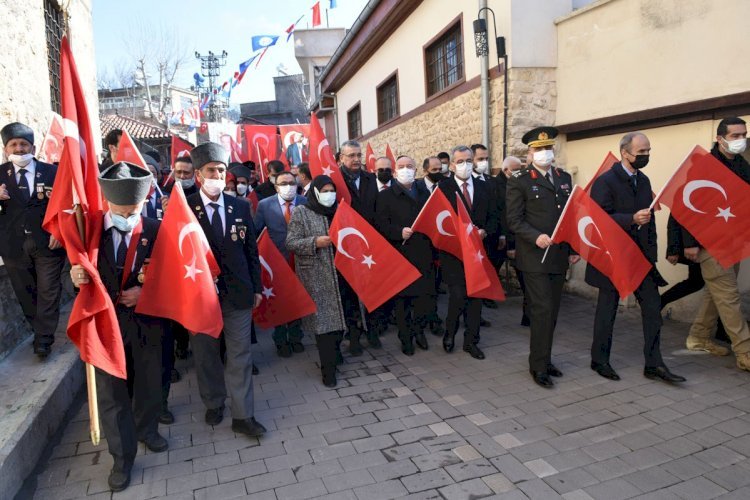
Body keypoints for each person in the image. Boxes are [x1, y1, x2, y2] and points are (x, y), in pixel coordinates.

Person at [70, 162, 167, 492]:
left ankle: (148, 429)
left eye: (135, 209)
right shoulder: (88, 229)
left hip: (147, 322)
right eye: (122, 210)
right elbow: (76, 271)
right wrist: (75, 275)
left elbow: (174, 276)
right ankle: (122, 459)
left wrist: (146, 291)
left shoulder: (156, 230)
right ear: (108, 202)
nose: (129, 216)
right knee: (112, 394)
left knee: (150, 381)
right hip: (104, 326)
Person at [585, 132, 685, 384]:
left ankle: (654, 364)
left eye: (648, 151)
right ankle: (600, 360)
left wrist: (652, 255)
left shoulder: (644, 180)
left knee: (652, 310)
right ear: (625, 153)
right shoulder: (605, 181)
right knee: (607, 311)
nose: (646, 156)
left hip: (641, 259)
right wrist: (630, 218)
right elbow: (598, 219)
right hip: (614, 257)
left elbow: (649, 223)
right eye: (641, 152)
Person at [187, 142, 266, 437]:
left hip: (238, 294)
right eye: (212, 170)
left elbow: (251, 251)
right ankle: (214, 401)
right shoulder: (185, 209)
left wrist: (257, 286)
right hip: (201, 297)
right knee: (206, 354)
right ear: (198, 174)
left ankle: (243, 415)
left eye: (221, 171)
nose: (218, 175)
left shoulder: (240, 206)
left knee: (240, 354)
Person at [506, 126, 579, 388]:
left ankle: (546, 359)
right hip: (534, 257)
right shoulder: (520, 180)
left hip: (558, 255)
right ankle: (537, 366)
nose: (544, 153)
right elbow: (514, 220)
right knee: (542, 310)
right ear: (530, 152)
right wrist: (534, 236)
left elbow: (569, 216)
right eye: (539, 149)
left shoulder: (563, 178)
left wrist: (573, 248)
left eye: (548, 148)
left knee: (553, 312)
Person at [680, 117, 750, 370]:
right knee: (729, 296)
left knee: (716, 293)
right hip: (710, 243)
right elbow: (685, 206)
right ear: (719, 138)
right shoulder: (703, 167)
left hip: (733, 241)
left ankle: (698, 337)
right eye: (734, 136)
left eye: (743, 134)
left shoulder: (742, 165)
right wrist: (689, 243)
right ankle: (745, 352)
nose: (740, 140)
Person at [0, 122, 66, 358]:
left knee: (49, 290)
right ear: (6, 148)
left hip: (48, 243)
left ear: (33, 146)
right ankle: (37, 330)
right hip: (13, 246)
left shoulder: (52, 172)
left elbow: (65, 206)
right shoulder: (0, 174)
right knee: (25, 291)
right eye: (13, 144)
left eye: (23, 144)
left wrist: (59, 231)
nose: (19, 149)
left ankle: (44, 339)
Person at [286, 175, 348, 387]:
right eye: (325, 190)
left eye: (332, 190)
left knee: (340, 324)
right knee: (325, 328)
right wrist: (315, 242)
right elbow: (291, 242)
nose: (329, 194)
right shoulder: (302, 212)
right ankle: (327, 371)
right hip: (318, 276)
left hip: (341, 274)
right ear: (315, 192)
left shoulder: (340, 211)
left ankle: (336, 353)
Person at [438, 145, 497, 360]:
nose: (466, 165)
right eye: (460, 161)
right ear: (452, 165)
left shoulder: (485, 187)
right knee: (457, 297)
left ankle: (472, 341)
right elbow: (439, 221)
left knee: (476, 298)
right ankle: (450, 333)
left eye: (469, 160)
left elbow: (495, 216)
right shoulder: (442, 188)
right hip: (454, 254)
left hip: (478, 253)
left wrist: (485, 231)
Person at [375, 155, 433, 355]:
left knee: (422, 298)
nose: (406, 169)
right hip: (399, 254)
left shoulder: (425, 193)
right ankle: (405, 336)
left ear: (416, 171)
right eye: (401, 166)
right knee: (403, 300)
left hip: (423, 253)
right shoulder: (385, 196)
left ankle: (419, 332)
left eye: (410, 166)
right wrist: (398, 232)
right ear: (394, 171)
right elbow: (380, 225)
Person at [254, 171, 307, 357]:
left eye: (291, 182)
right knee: (278, 300)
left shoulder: (304, 202)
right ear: (276, 187)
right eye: (283, 183)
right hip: (276, 263)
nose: (288, 186)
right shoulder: (264, 205)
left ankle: (296, 337)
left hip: (301, 260)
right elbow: (256, 231)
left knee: (296, 300)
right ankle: (280, 340)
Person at [338, 140, 381, 351]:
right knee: (349, 295)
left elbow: (376, 209)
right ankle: (354, 336)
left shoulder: (370, 178)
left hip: (369, 245)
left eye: (358, 155)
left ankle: (373, 332)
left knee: (371, 290)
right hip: (346, 245)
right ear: (341, 158)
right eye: (351, 156)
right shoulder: (334, 180)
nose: (356, 159)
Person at [416, 156, 447, 337]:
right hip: (423, 245)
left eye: (440, 169)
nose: (438, 173)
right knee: (425, 285)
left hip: (441, 243)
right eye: (434, 170)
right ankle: (423, 318)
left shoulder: (445, 186)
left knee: (436, 284)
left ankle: (433, 317)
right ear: (426, 171)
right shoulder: (417, 188)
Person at [501, 156, 529, 326]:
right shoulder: (502, 186)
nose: (519, 171)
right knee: (525, 281)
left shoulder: (523, 183)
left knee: (529, 285)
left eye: (521, 168)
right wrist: (510, 245)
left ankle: (529, 316)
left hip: (528, 241)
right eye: (516, 168)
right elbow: (509, 219)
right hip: (515, 241)